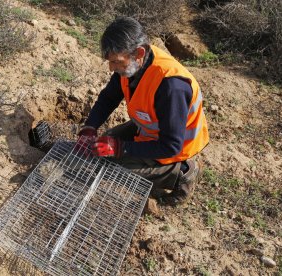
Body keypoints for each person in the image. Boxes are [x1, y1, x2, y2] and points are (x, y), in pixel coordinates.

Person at [78, 16, 209, 206]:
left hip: (176, 146)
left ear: (138, 52)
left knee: (116, 168)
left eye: (115, 62)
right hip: (149, 126)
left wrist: (120, 148)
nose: (111, 67)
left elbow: (171, 145)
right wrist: (90, 127)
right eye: (109, 61)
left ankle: (181, 173)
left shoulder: (171, 86)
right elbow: (109, 98)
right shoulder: (133, 64)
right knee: (103, 147)